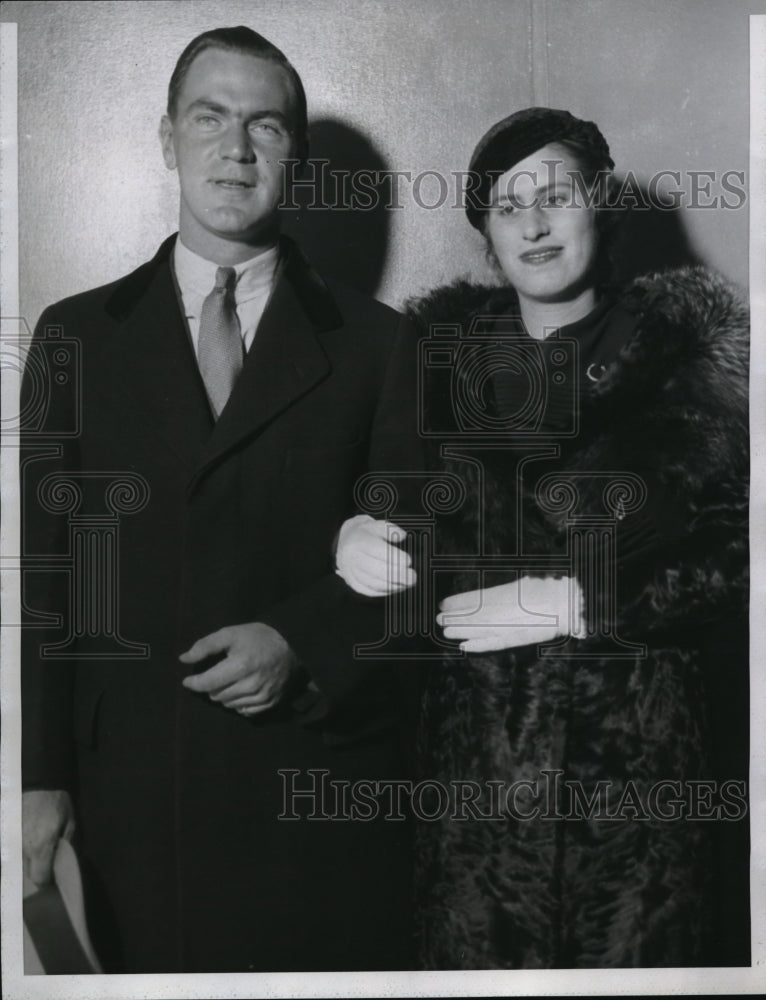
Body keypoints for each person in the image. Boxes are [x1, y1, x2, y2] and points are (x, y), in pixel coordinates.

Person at [20, 26, 423, 973]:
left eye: (266, 127)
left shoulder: (380, 344)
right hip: (127, 805)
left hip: (306, 796)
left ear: (297, 158)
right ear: (167, 140)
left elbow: (419, 550)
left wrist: (301, 639)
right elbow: (49, 576)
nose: (236, 150)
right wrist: (40, 779)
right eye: (209, 119)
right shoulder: (74, 333)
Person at [335, 107, 750, 967]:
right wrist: (350, 531)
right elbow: (388, 509)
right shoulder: (431, 369)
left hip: (645, 808)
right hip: (473, 806)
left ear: (601, 205)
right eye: (507, 203)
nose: (533, 221)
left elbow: (738, 558)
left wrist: (583, 602)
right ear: (485, 230)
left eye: (557, 195)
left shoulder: (691, 365)